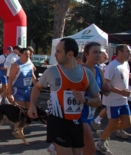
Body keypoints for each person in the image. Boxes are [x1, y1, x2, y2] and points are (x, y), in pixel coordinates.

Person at [28, 38, 101, 155]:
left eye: (58, 51)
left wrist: (85, 99)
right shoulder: (51, 72)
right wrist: (32, 105)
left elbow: (98, 101)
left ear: (70, 54)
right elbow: (37, 87)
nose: (55, 55)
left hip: (77, 122)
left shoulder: (87, 74)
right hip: (57, 121)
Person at [95, 44, 131, 155]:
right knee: (113, 124)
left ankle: (105, 132)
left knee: (127, 123)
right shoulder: (112, 66)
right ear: (119, 52)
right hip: (112, 101)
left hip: (123, 100)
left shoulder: (125, 64)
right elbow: (106, 85)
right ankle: (100, 144)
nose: (129, 54)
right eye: (128, 51)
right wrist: (122, 92)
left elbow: (125, 76)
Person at [81, 42, 111, 155]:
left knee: (81, 149)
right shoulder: (80, 70)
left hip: (90, 114)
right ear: (86, 54)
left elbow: (106, 93)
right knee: (90, 151)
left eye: (99, 52)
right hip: (79, 115)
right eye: (95, 52)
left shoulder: (99, 70)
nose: (98, 55)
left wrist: (108, 88)